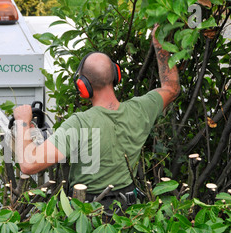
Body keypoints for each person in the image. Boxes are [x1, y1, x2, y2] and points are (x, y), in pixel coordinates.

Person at [13, 24, 180, 222]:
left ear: (83, 86)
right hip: (128, 216)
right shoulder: (141, 109)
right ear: (116, 75)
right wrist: (159, 43)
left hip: (90, 220)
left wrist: (23, 122)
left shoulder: (79, 124)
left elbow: (28, 164)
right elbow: (171, 87)